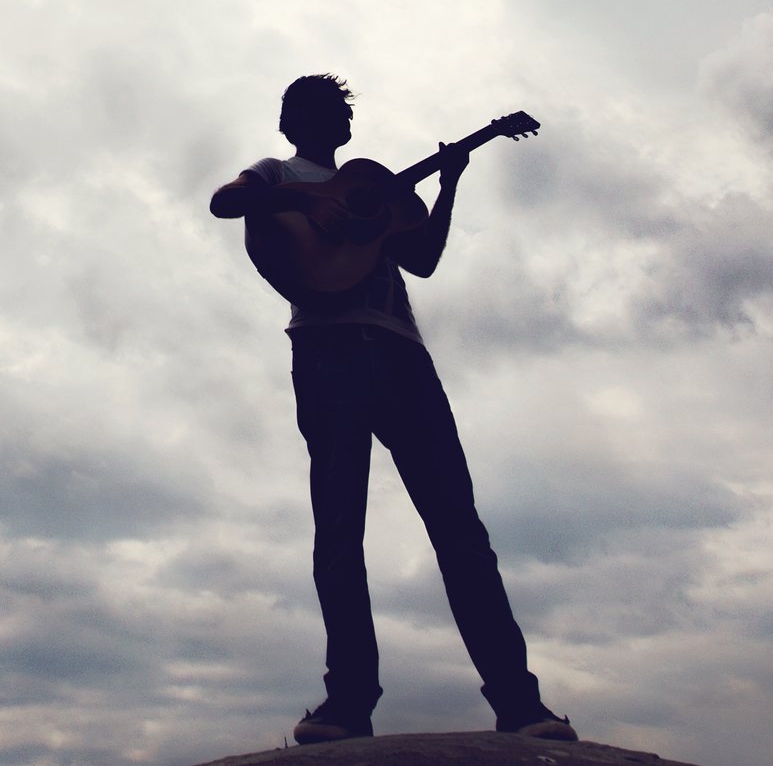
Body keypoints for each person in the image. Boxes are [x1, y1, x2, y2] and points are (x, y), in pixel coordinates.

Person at [209, 73, 576, 745]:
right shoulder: (279, 172)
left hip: (405, 357)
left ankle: (521, 706)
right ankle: (348, 704)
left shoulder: (374, 187)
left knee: (460, 530)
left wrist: (448, 183)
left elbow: (425, 258)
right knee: (341, 530)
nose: (336, 119)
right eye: (322, 110)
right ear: (293, 124)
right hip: (328, 351)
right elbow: (227, 200)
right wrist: (307, 204)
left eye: (341, 110)